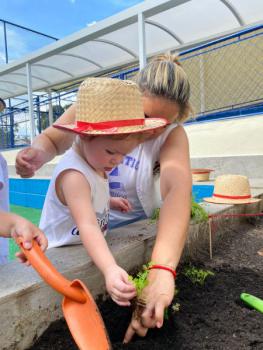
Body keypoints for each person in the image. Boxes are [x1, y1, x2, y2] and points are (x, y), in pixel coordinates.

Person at [15, 54, 192, 341]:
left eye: (165, 122)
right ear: (132, 100)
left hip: (116, 230)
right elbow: (52, 139)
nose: (154, 129)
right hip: (84, 233)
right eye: (146, 118)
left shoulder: (171, 136)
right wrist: (36, 156)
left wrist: (162, 269)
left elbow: (178, 189)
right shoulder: (99, 106)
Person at [38, 77, 168, 307]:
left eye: (123, 156)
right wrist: (109, 268)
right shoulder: (74, 175)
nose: (116, 161)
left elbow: (87, 197)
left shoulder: (97, 161)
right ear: (85, 135)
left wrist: (109, 200)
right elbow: (87, 224)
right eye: (111, 151)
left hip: (84, 249)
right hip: (60, 257)